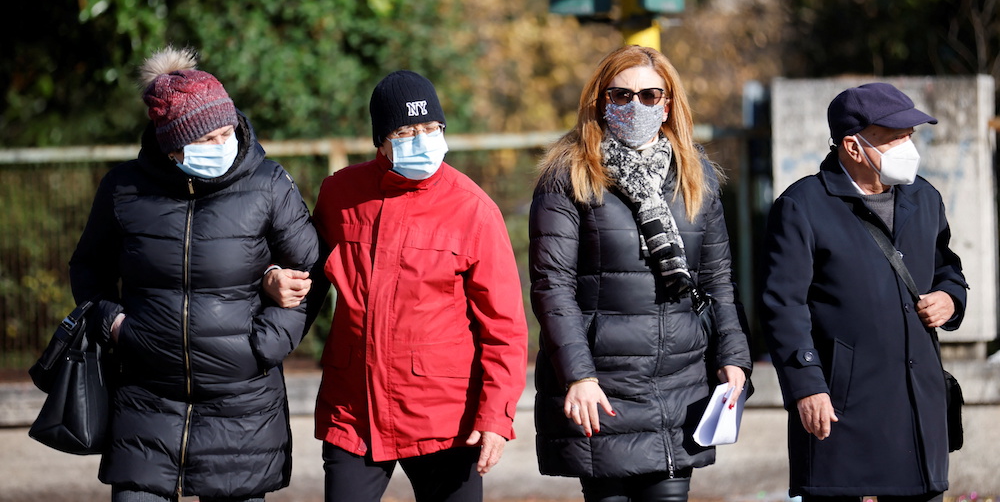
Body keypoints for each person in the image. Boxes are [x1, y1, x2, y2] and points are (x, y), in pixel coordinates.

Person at [69, 46, 320, 502]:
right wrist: (114, 323)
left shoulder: (269, 184)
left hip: (242, 404)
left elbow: (311, 269)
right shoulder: (123, 189)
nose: (223, 145)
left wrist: (265, 344)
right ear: (171, 147)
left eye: (227, 132)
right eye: (207, 139)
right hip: (146, 398)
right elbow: (89, 266)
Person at [266, 70, 528, 502]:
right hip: (354, 413)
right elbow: (304, 273)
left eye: (431, 128)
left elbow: (505, 328)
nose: (422, 140)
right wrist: (273, 279)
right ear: (380, 141)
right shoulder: (340, 193)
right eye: (407, 131)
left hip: (446, 420)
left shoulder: (474, 209)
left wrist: (496, 416)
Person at [528, 45, 752, 502]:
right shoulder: (569, 174)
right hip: (604, 388)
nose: (637, 106)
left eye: (651, 96)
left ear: (668, 104)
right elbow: (553, 287)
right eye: (621, 95)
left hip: (679, 386)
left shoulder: (695, 173)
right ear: (600, 101)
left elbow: (717, 280)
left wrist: (735, 355)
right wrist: (578, 376)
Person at [759, 81, 969, 502]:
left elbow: (949, 269)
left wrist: (950, 298)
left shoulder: (924, 197)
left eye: (910, 136)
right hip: (842, 406)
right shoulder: (802, 206)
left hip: (916, 405)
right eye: (893, 139)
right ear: (853, 148)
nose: (907, 147)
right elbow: (784, 305)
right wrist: (807, 385)